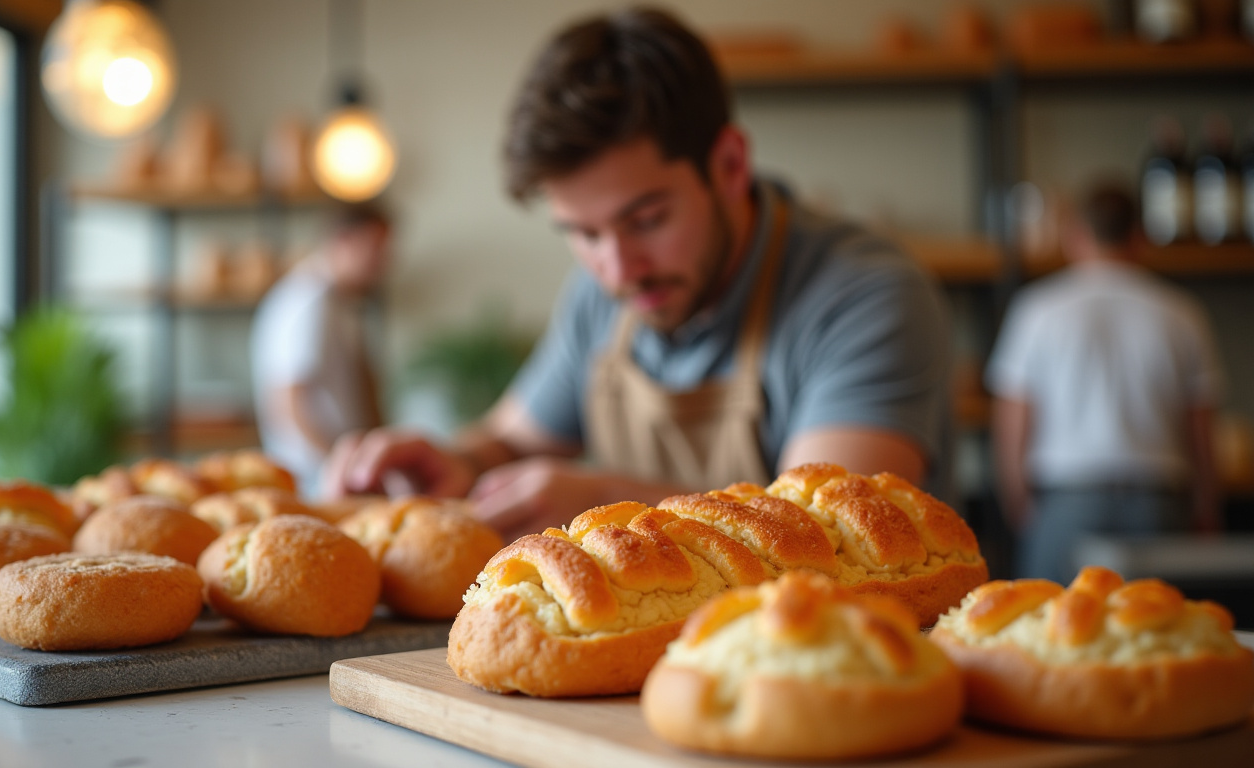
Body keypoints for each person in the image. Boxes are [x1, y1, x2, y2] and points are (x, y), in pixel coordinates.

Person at [325, 7, 953, 540]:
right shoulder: (604, 297)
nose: (619, 269)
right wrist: (453, 461)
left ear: (730, 165)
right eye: (584, 233)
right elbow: (512, 439)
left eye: (647, 219)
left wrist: (616, 506)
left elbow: (833, 537)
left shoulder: (864, 297)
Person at [986, 182, 1224, 583]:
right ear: (1139, 238)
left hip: (1065, 499)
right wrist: (1207, 504)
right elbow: (1199, 422)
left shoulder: (1038, 308)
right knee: (1157, 633)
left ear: (1076, 236)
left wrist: (1014, 496)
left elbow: (1014, 414)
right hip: (1158, 500)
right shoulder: (1182, 312)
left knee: (1054, 634)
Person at [252, 203, 391, 497]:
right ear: (342, 241)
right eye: (375, 248)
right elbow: (289, 402)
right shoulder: (308, 302)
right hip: (317, 479)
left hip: (331, 473)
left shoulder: (335, 302)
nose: (383, 262)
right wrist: (340, 465)